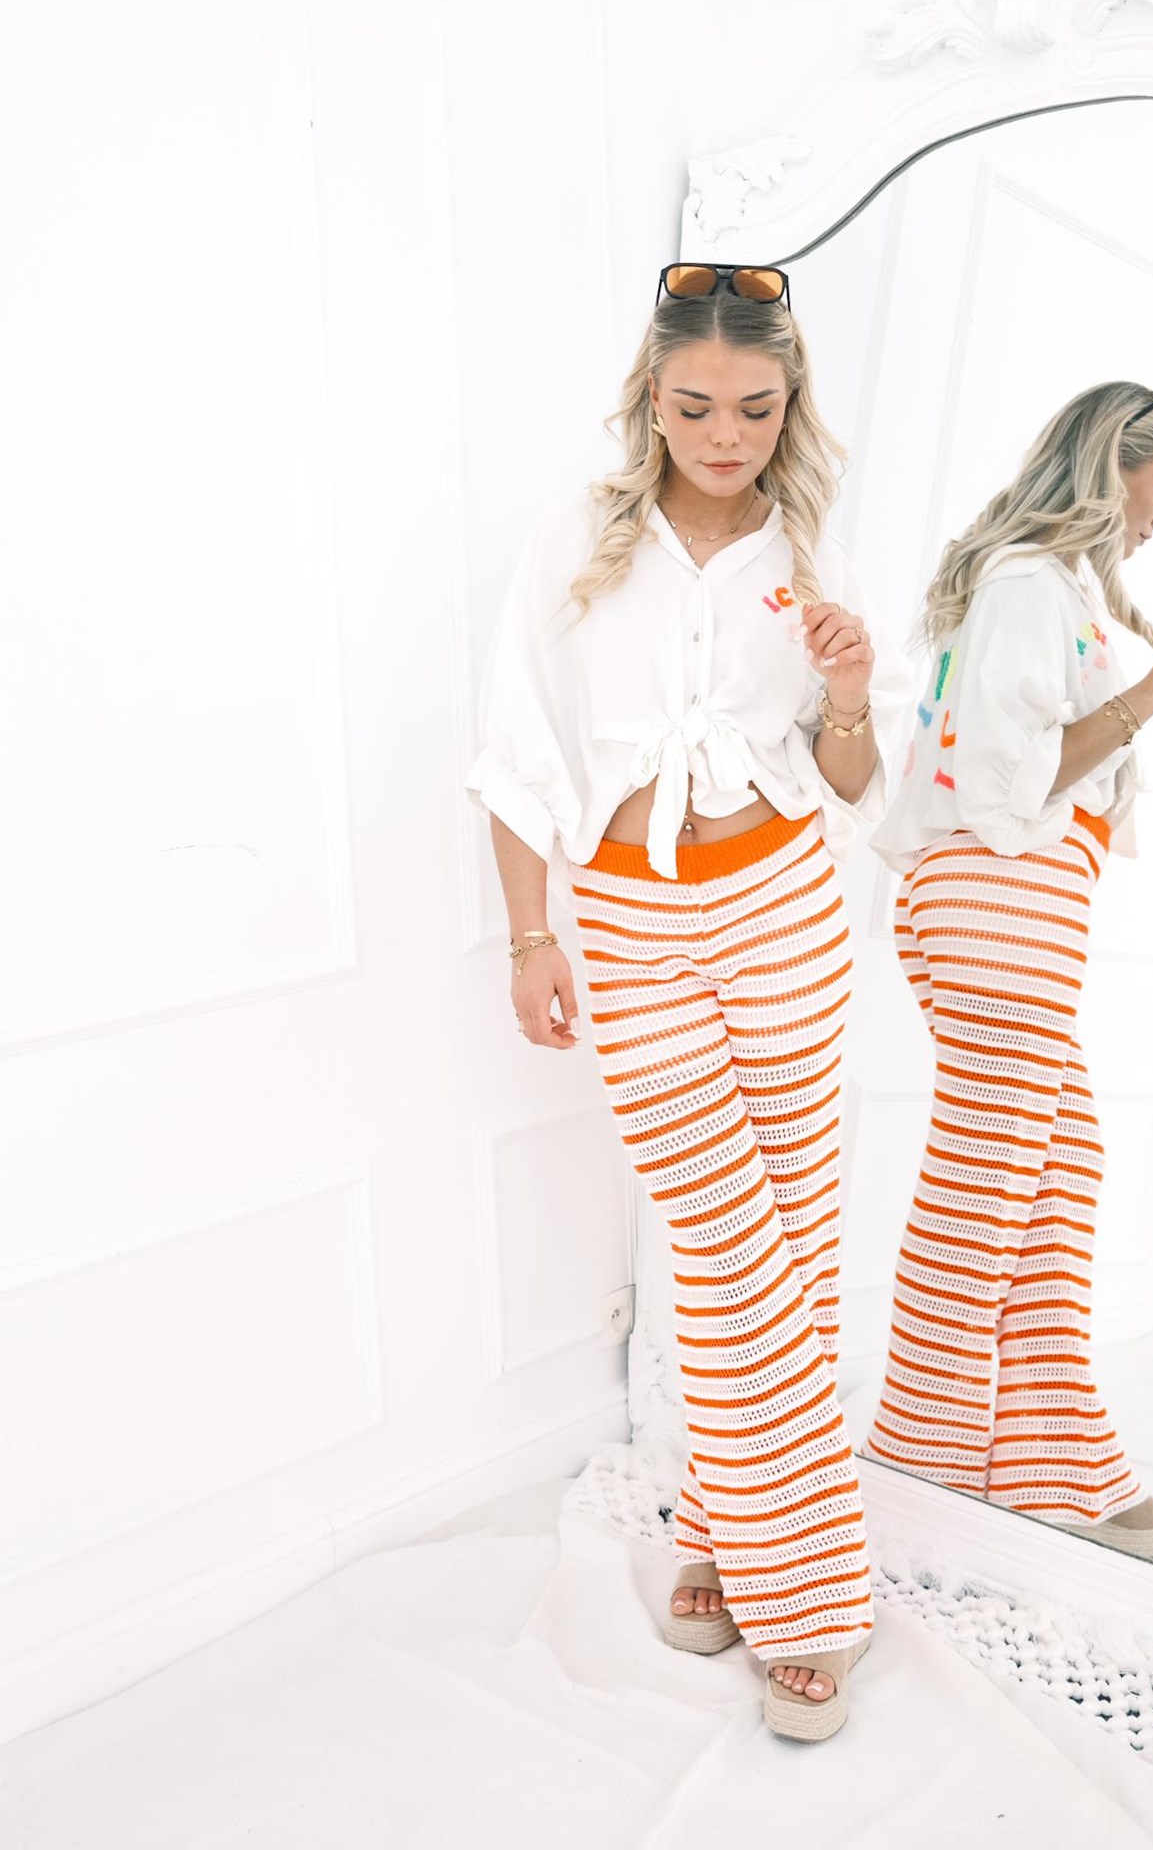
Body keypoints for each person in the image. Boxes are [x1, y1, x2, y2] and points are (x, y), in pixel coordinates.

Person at [467, 261, 913, 1738]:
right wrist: (529, 938)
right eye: (696, 405)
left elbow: (851, 780)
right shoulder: (577, 539)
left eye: (756, 408)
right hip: (630, 916)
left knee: (791, 1233)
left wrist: (846, 689)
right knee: (722, 1238)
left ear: (792, 404)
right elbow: (515, 748)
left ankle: (725, 1531)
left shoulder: (813, 545)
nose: (726, 435)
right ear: (651, 398)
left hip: (783, 901)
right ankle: (817, 1594)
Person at [864, 380, 1153, 1560]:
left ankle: (1044, 1456)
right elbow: (1006, 781)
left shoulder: (1050, 585)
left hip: (1017, 902)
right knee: (990, 1184)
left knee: (1053, 1169)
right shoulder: (1024, 580)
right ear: (1110, 468)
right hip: (995, 893)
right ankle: (923, 1462)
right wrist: (1147, 700)